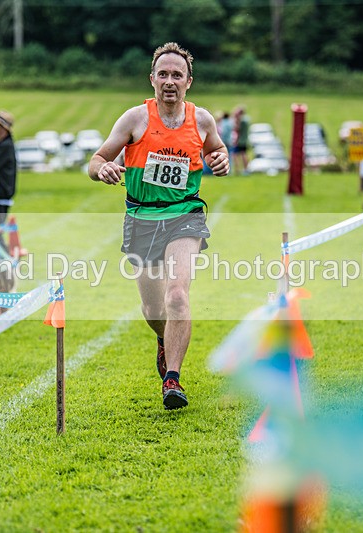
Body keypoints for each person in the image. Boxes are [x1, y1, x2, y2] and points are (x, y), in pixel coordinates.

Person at [88, 42, 229, 410]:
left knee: (178, 295)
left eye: (176, 75)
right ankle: (165, 341)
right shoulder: (134, 119)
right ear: (152, 80)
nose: (170, 81)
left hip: (185, 215)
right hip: (142, 218)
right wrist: (102, 168)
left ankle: (173, 380)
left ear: (188, 82)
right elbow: (97, 159)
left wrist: (221, 158)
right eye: (163, 74)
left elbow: (217, 148)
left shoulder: (201, 120)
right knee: (154, 311)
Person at [232, 106, 250, 175]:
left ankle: (238, 170)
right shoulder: (246, 119)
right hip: (244, 140)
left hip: (240, 141)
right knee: (244, 154)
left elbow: (237, 130)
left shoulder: (241, 121)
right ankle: (246, 169)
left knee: (236, 155)